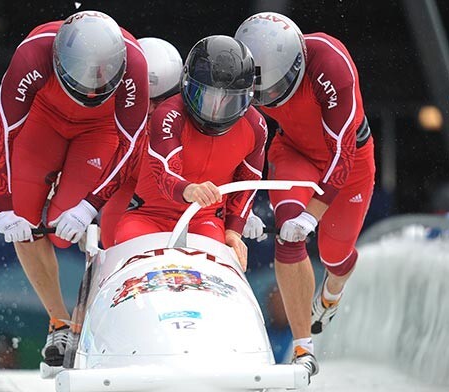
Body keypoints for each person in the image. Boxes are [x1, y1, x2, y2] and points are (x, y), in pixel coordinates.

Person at [0, 10, 149, 367]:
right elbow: (3, 133)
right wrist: (3, 205)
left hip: (100, 130)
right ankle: (59, 321)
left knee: (63, 231)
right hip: (44, 120)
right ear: (58, 61)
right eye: (82, 81)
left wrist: (89, 206)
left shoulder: (134, 63)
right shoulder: (32, 54)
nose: (90, 90)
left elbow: (130, 147)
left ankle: (87, 321)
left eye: (100, 82)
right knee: (24, 222)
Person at [235, 12, 375, 377]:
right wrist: (240, 208)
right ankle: (304, 348)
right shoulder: (238, 66)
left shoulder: (331, 64)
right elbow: (237, 139)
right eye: (263, 93)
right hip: (294, 153)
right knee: (287, 234)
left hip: (348, 163)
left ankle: (333, 291)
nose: (270, 100)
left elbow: (342, 154)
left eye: (278, 90)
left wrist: (312, 216)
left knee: (334, 254)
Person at [114, 35, 268, 271]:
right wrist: (191, 190)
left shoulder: (255, 127)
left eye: (228, 101)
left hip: (204, 220)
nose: (215, 110)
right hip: (148, 216)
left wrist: (233, 231)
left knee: (214, 270)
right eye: (205, 96)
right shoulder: (168, 113)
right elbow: (164, 172)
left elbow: (248, 180)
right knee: (130, 252)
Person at [99, 37, 183, 248]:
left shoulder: (185, 118)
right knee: (111, 240)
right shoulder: (105, 110)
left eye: (160, 101)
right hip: (123, 184)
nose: (150, 110)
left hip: (165, 192)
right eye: (144, 100)